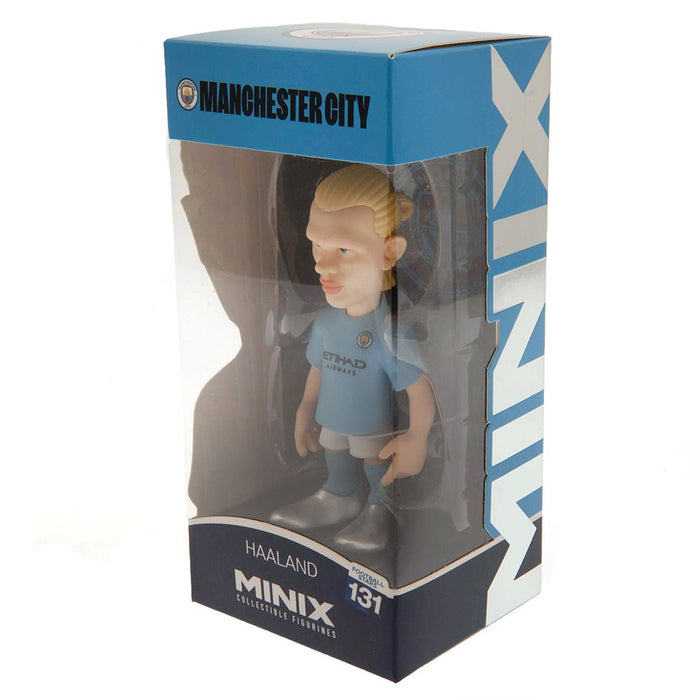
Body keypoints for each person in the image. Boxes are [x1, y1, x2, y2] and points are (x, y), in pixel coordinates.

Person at [270, 164, 435, 552]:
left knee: (374, 461)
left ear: (389, 252)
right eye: (317, 245)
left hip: (372, 427)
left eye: (344, 250)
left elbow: (419, 389)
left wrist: (417, 436)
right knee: (336, 451)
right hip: (333, 420)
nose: (322, 265)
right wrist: (305, 408)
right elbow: (318, 368)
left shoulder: (389, 332)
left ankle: (381, 506)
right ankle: (338, 494)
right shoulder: (326, 323)